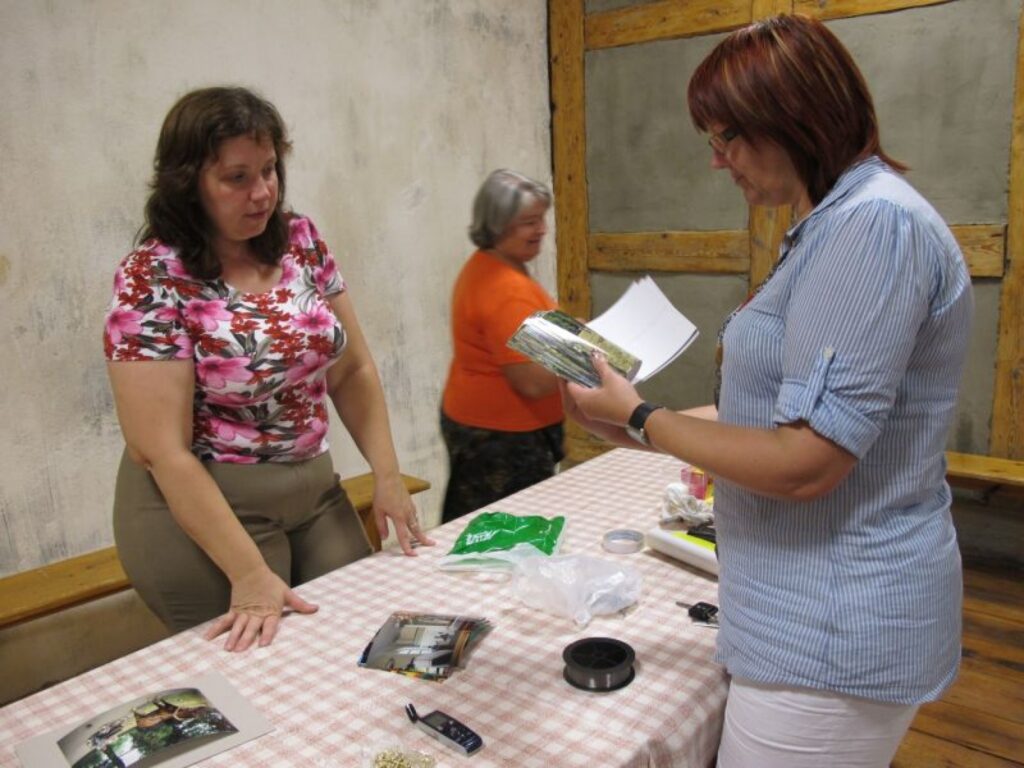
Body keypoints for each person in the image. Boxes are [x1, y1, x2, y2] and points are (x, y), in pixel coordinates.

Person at [562, 15, 972, 768]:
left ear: (798, 122)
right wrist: (638, 423)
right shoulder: (832, 223)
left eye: (729, 139)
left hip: (832, 629)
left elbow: (807, 461)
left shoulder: (869, 227)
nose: (720, 162)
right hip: (803, 611)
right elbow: (777, 412)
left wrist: (647, 417)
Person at [103, 86, 433, 652]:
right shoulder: (152, 276)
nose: (261, 194)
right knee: (260, 668)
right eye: (237, 178)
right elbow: (160, 451)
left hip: (313, 489)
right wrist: (249, 574)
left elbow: (350, 370)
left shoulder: (299, 240)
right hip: (203, 506)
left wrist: (387, 475)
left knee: (362, 635)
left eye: (270, 170)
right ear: (189, 184)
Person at [439, 169, 564, 523]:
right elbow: (533, 381)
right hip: (503, 440)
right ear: (497, 224)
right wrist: (586, 353)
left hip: (486, 426)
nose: (541, 230)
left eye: (542, 219)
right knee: (504, 532)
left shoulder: (490, 266)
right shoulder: (506, 288)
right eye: (529, 222)